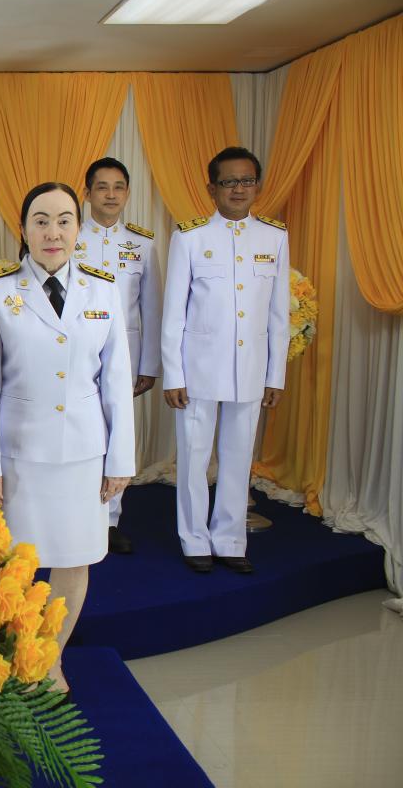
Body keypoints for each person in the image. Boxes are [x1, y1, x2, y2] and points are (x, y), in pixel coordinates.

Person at [0, 182, 135, 693]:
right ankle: (15, 654)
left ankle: (52, 657)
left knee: (73, 556)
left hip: (83, 453)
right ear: (23, 229)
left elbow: (116, 381)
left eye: (64, 220)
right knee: (13, 564)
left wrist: (121, 459)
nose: (53, 232)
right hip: (18, 453)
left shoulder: (103, 290)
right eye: (40, 221)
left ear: (78, 229)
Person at [161, 147, 289, 575]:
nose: (238, 189)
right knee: (194, 458)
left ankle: (231, 540)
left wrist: (275, 374)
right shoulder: (190, 237)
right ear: (211, 188)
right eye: (229, 181)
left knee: (238, 457)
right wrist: (173, 374)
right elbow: (174, 314)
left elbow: (278, 313)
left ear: (258, 185)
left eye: (246, 180)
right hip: (198, 369)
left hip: (249, 369)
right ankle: (194, 538)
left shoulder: (274, 237)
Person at [78, 157, 163, 555]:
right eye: (102, 187)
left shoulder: (142, 243)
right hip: (77, 353)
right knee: (81, 433)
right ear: (87, 193)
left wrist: (150, 365)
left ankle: (110, 520)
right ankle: (78, 514)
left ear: (127, 193)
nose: (110, 195)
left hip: (125, 355)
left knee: (117, 435)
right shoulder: (69, 235)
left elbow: (152, 307)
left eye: (118, 187)